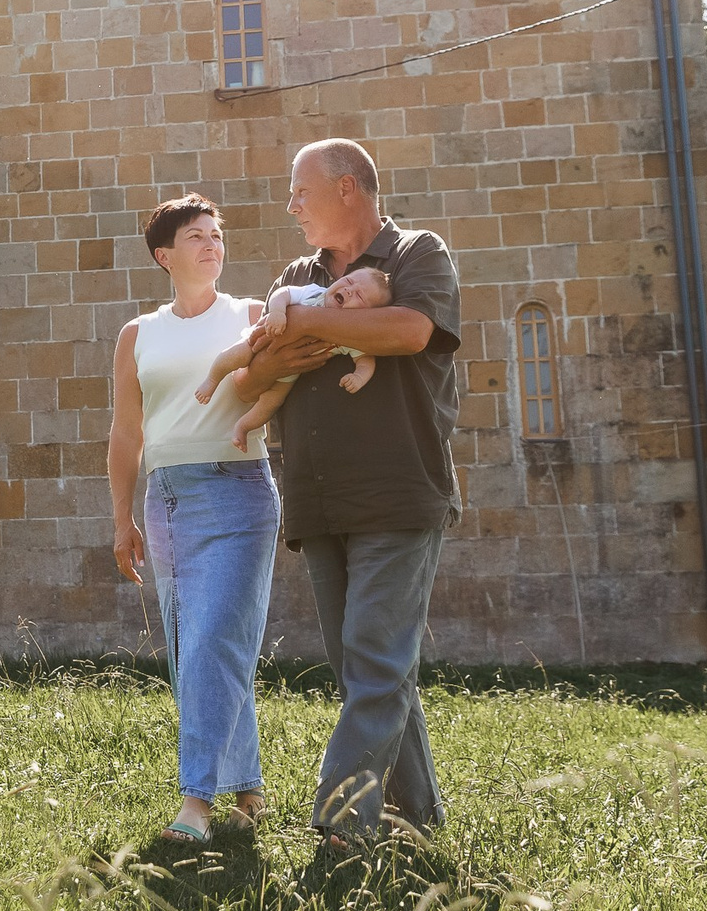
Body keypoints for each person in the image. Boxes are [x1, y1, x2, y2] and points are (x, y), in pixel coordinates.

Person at [228, 139, 462, 841]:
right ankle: (417, 819)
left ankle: (341, 823)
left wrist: (300, 322)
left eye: (302, 191)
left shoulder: (418, 254)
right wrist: (288, 338)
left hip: (397, 489)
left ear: (349, 189)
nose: (291, 205)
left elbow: (409, 329)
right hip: (317, 495)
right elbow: (254, 372)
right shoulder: (298, 272)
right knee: (370, 665)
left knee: (374, 657)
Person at [107, 193, 280, 844]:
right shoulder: (138, 334)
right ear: (165, 255)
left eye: (217, 234)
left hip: (239, 493)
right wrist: (122, 519)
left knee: (214, 639)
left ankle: (195, 803)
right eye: (196, 236)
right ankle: (250, 792)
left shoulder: (253, 315)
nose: (212, 244)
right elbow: (126, 434)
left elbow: (279, 386)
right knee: (196, 647)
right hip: (168, 500)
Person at [194, 265, 391, 450]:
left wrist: (359, 377)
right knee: (237, 354)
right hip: (263, 339)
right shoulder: (315, 293)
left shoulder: (348, 333)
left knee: (271, 402)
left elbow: (365, 359)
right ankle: (212, 379)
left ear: (365, 315)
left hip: (290, 373)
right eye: (348, 281)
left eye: (359, 295)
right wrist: (278, 311)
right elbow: (284, 292)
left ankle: (242, 427)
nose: (349, 290)